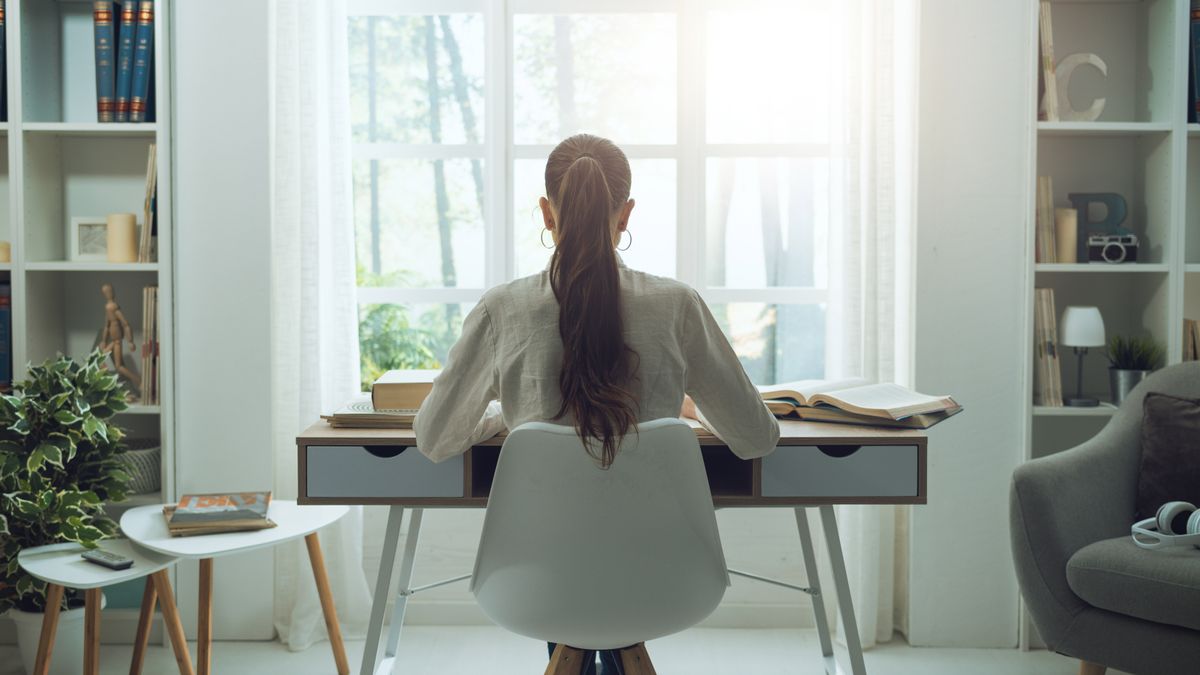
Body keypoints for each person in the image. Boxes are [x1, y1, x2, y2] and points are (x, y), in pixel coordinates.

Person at [414, 133, 780, 675]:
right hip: (662, 578)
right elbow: (757, 437)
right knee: (617, 572)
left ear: (547, 212)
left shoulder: (503, 310)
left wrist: (508, 418)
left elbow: (433, 438)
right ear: (625, 214)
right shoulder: (676, 305)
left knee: (571, 571)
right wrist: (684, 408)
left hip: (537, 580)